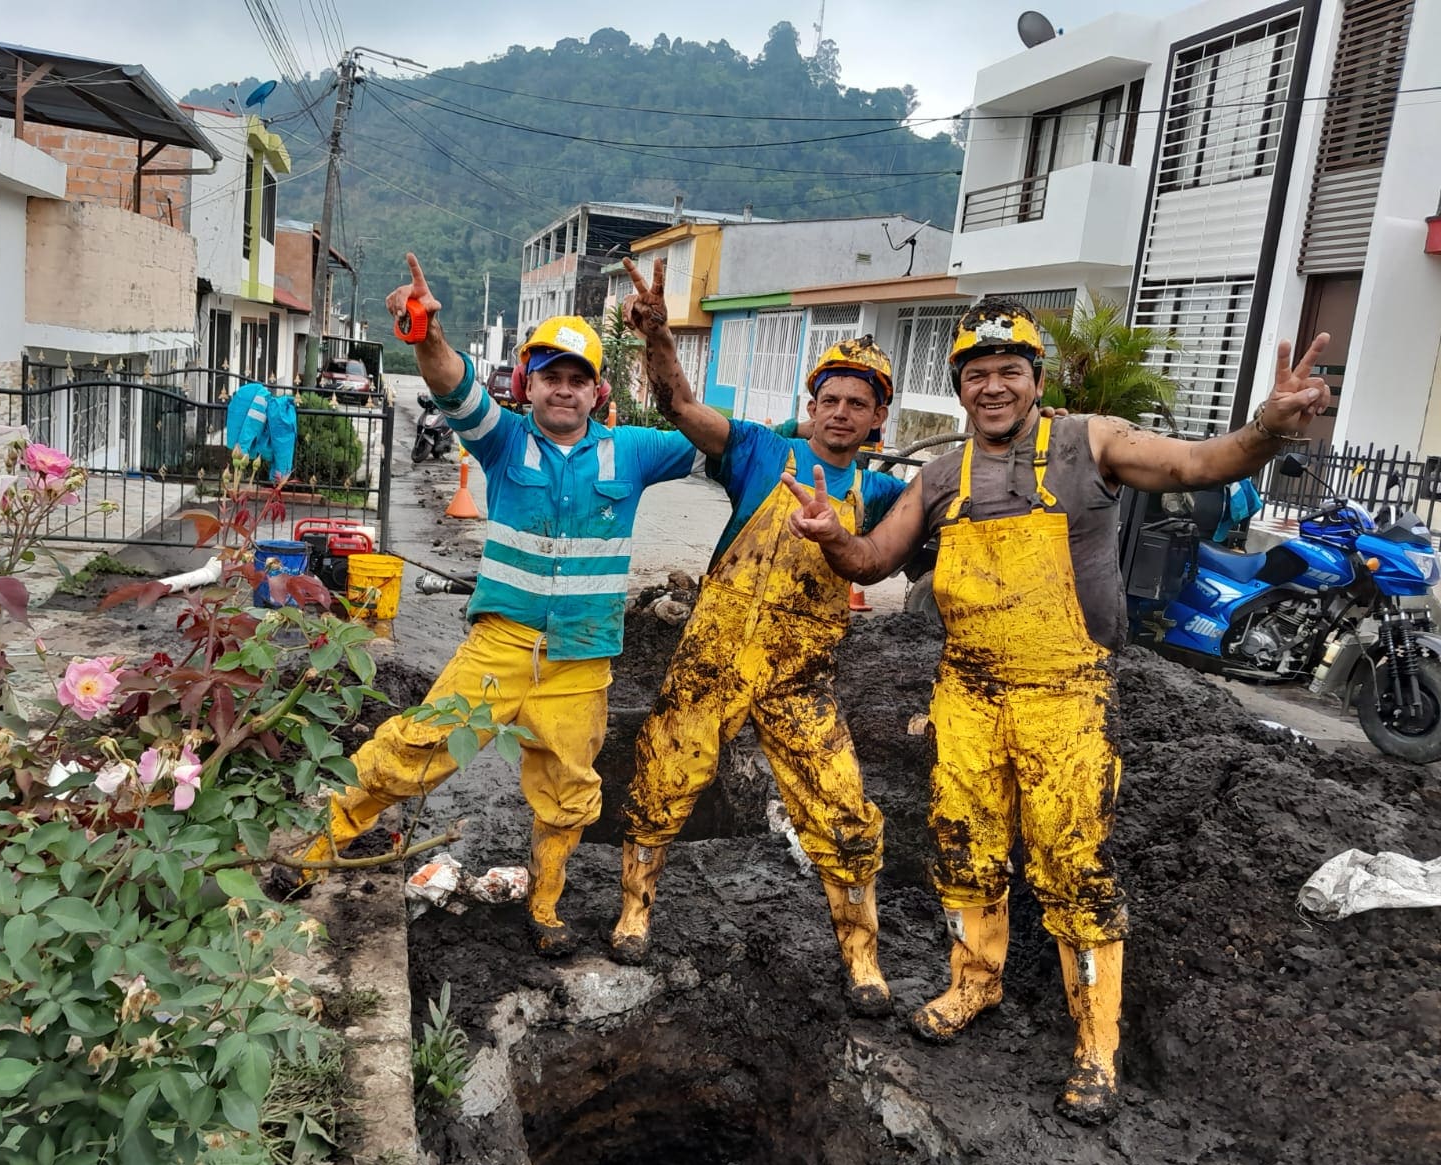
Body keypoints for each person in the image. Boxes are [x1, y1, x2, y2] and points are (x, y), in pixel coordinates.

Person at [780, 295, 1332, 1120]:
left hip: (1064, 694)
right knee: (965, 848)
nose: (992, 388)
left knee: (1073, 865)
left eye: (1009, 371)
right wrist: (830, 535)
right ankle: (975, 984)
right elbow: (872, 560)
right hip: (965, 692)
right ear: (960, 387)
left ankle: (1096, 1045)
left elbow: (1196, 465)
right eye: (976, 375)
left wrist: (1269, 429)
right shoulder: (940, 476)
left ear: (1035, 379)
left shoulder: (1090, 442)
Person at [288, 253, 702, 958]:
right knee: (418, 748)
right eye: (550, 377)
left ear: (598, 391)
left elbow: (698, 425)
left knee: (568, 789)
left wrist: (661, 342)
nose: (563, 391)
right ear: (528, 385)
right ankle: (314, 847)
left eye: (577, 379)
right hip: (501, 647)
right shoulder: (505, 441)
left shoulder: (632, 453)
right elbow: (454, 386)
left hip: (582, 659)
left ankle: (545, 908)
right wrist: (423, 334)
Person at [610, 257, 907, 1015]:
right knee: (661, 783)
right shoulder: (758, 452)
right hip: (711, 659)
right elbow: (678, 402)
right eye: (828, 399)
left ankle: (862, 957)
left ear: (879, 420)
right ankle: (635, 909)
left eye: (856, 404)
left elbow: (950, 524)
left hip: (800, 677)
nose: (839, 413)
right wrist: (659, 340)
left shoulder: (882, 495)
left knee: (841, 811)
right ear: (810, 407)